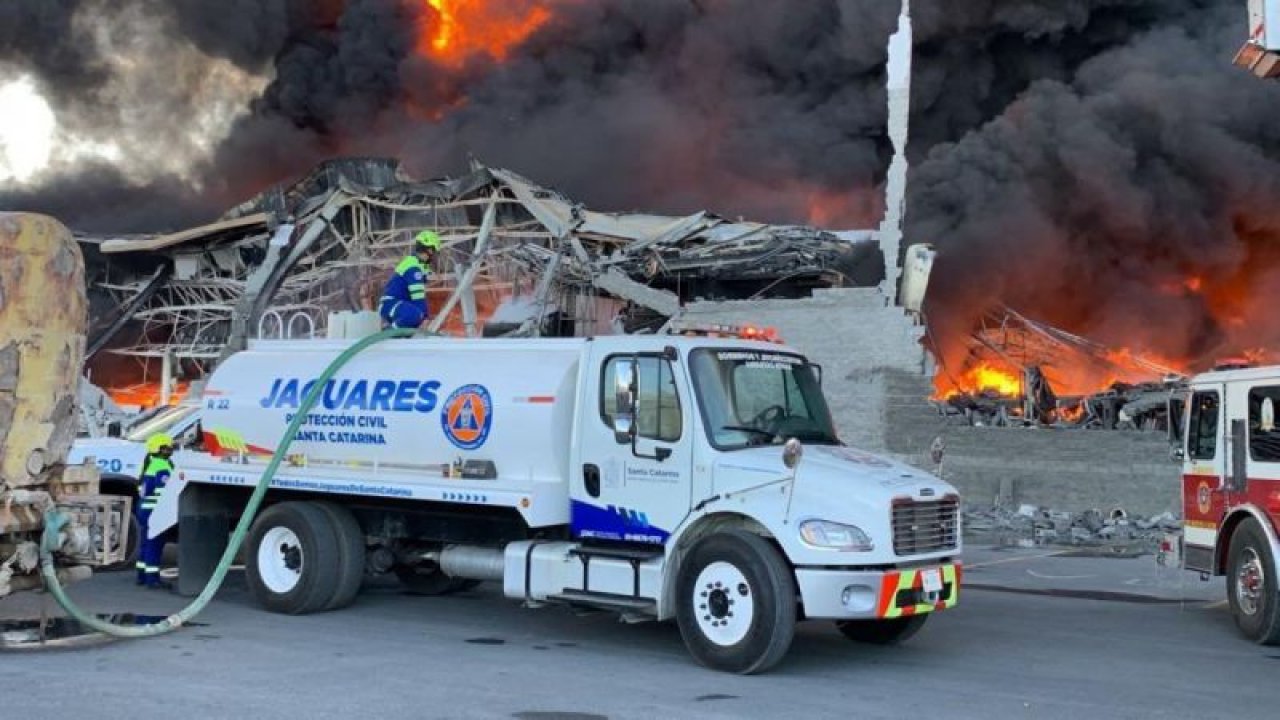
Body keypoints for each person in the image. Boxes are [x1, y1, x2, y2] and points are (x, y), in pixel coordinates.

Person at [379, 230, 441, 330]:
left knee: (417, 316)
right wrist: (424, 317)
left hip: (398, 306)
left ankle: (400, 334)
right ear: (429, 250)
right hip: (392, 305)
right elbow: (418, 298)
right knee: (415, 315)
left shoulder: (416, 264)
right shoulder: (414, 269)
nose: (434, 256)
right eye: (434, 252)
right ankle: (389, 333)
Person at [136, 433, 174, 588]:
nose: (170, 450)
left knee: (145, 542)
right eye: (166, 448)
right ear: (159, 449)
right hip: (154, 509)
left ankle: (141, 576)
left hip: (144, 508)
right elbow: (164, 489)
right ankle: (152, 579)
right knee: (155, 544)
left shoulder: (149, 464)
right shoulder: (162, 466)